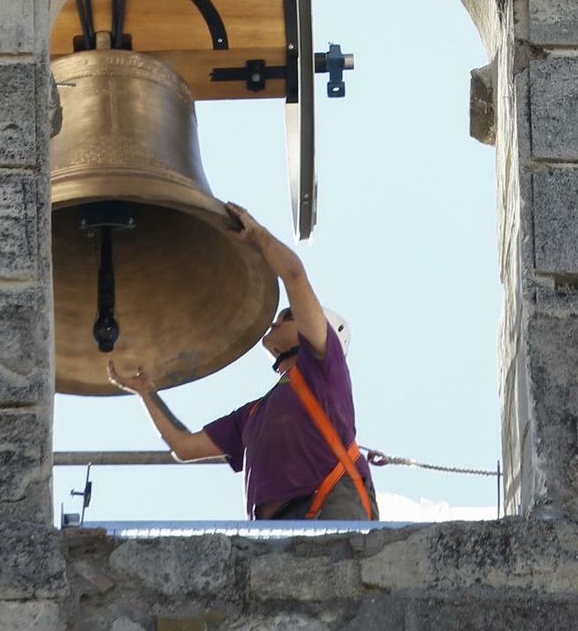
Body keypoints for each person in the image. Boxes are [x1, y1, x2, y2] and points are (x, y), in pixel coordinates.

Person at [106, 201, 376, 523]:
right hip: (277, 535)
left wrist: (258, 236)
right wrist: (145, 392)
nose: (276, 321)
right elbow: (184, 446)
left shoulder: (325, 369)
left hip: (331, 512)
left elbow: (293, 274)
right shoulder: (252, 416)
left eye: (287, 316)